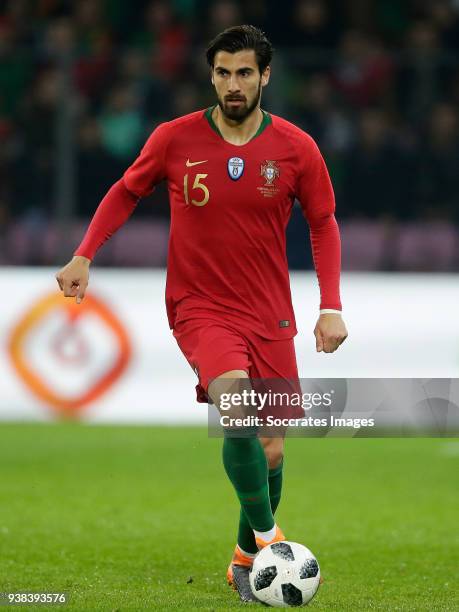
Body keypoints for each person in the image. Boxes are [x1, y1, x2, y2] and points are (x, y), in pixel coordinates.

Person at [55, 25, 348, 602]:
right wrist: (84, 254)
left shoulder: (296, 147)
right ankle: (270, 539)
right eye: (222, 72)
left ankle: (245, 557)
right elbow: (125, 191)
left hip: (271, 312)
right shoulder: (174, 139)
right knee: (234, 403)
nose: (232, 84)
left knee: (271, 449)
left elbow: (323, 223)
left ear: (265, 76)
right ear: (210, 74)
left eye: (244, 73)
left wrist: (331, 306)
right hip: (199, 306)